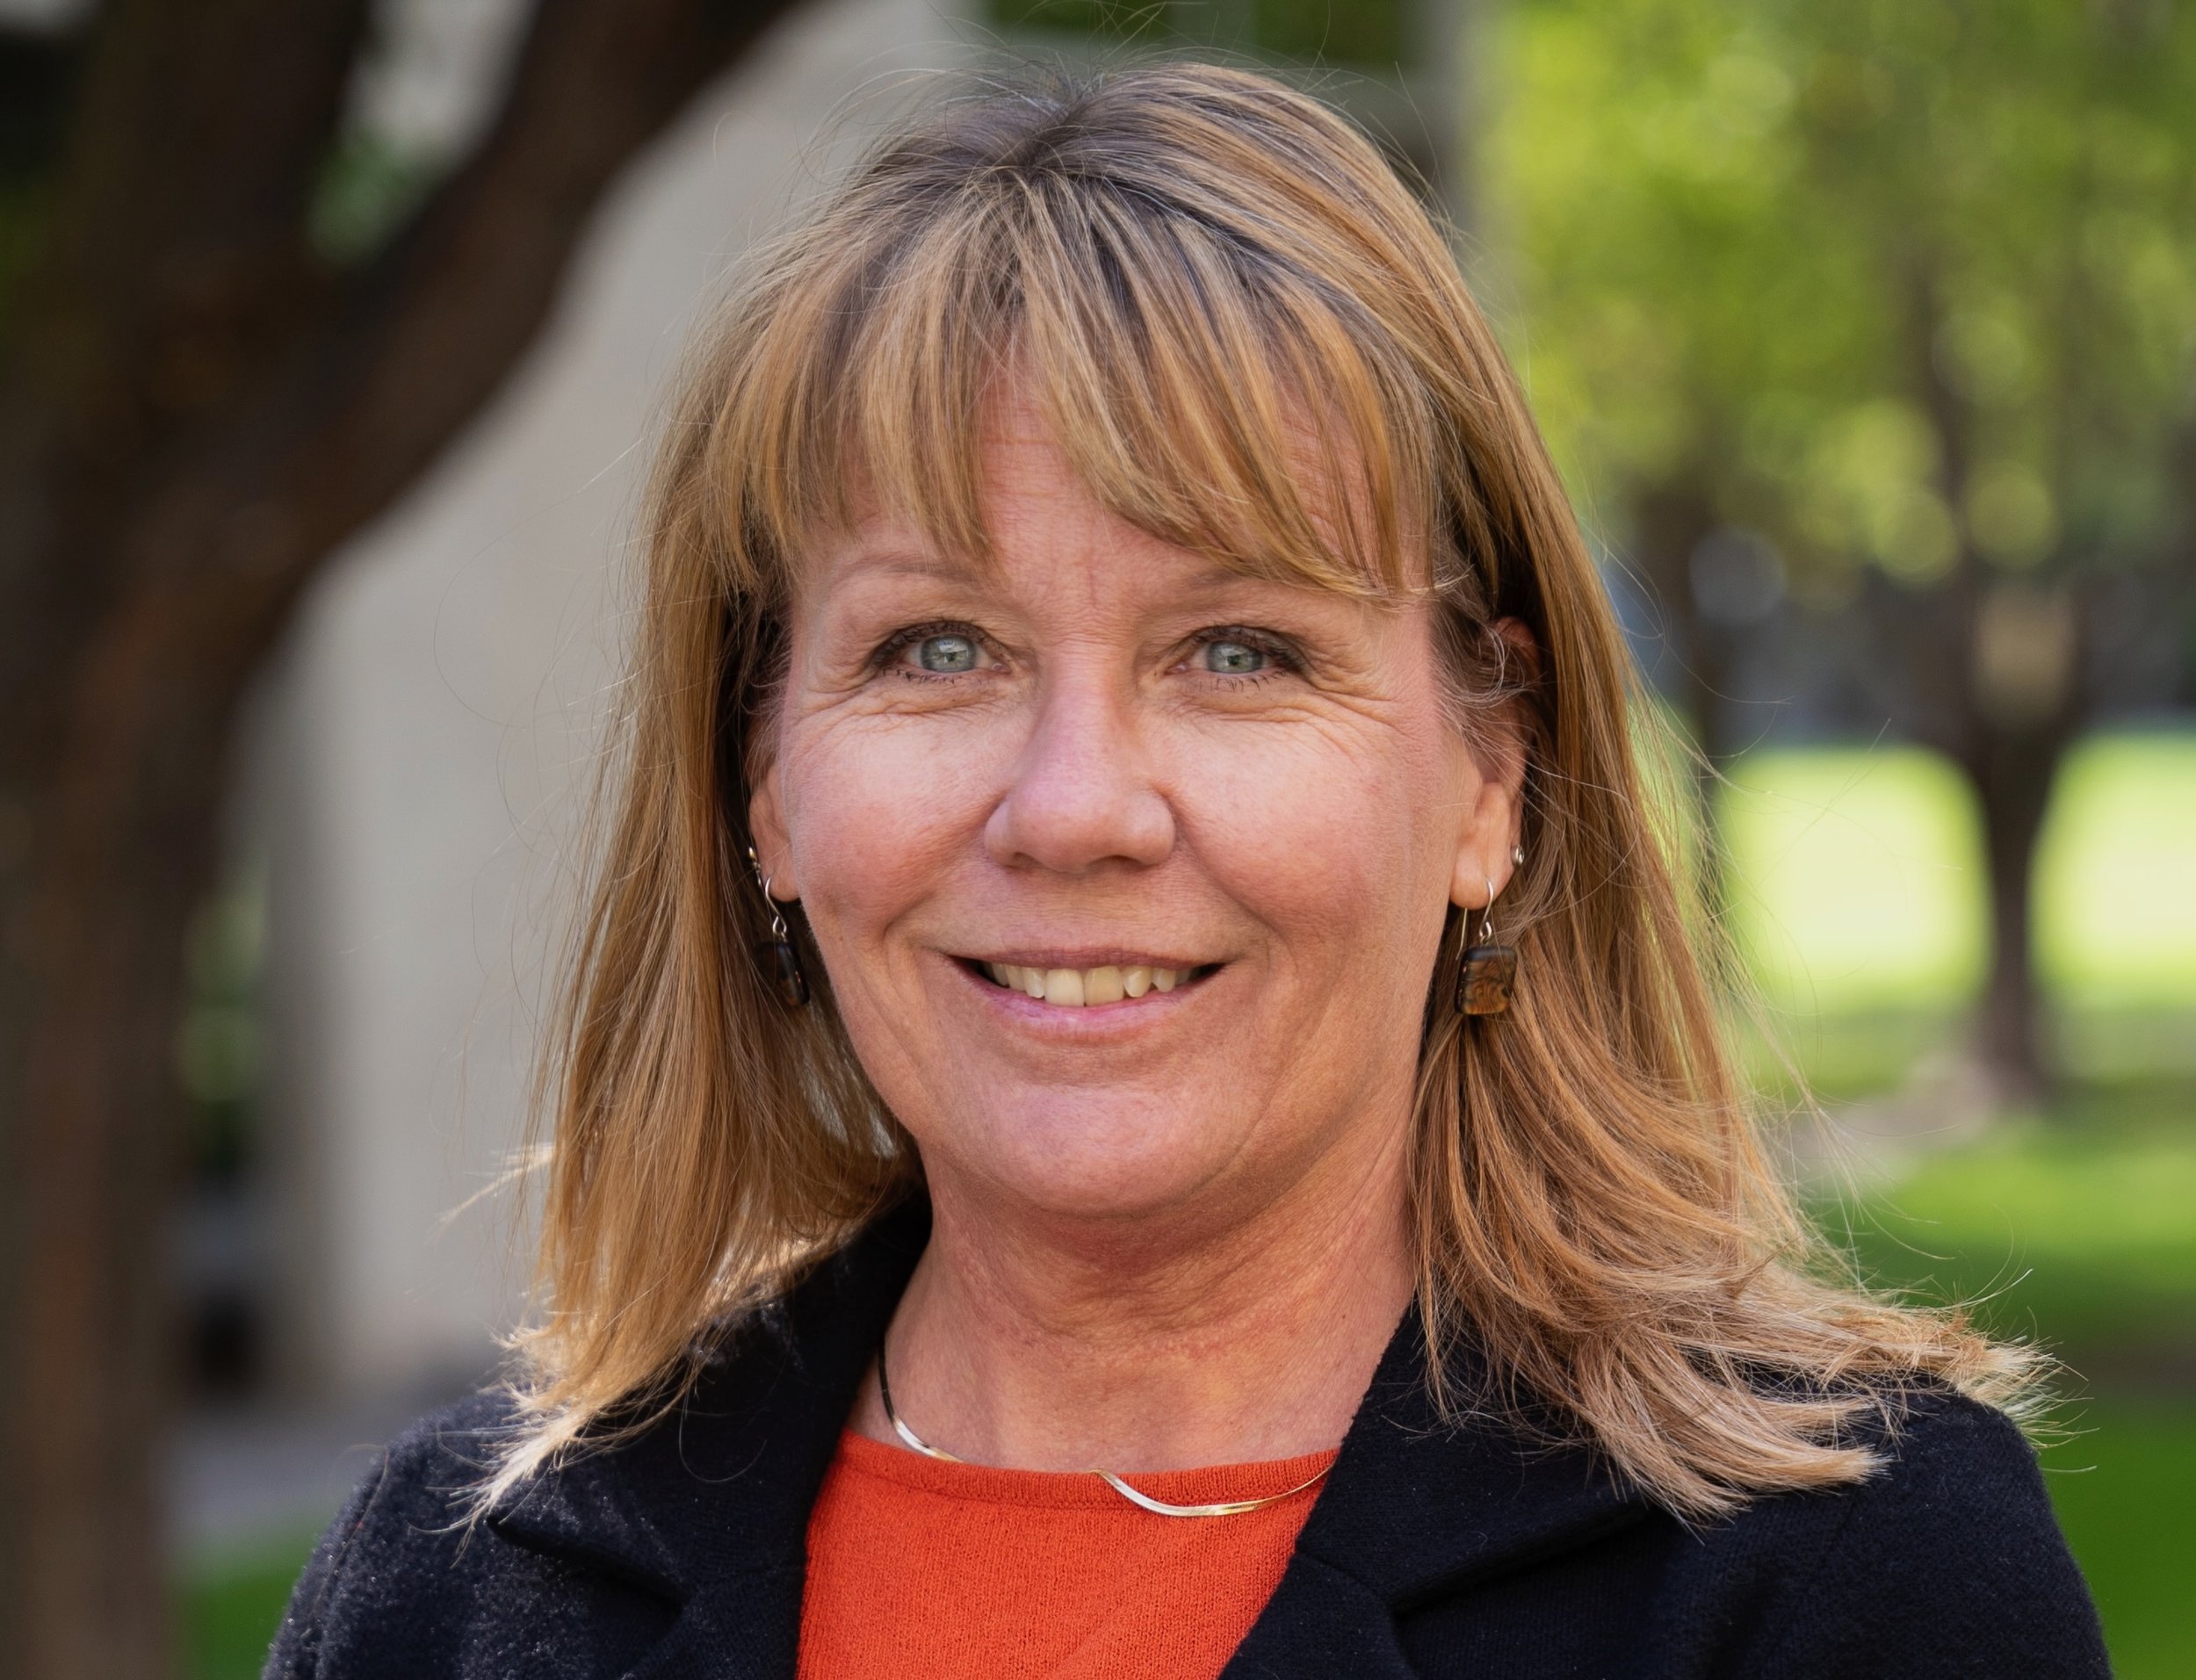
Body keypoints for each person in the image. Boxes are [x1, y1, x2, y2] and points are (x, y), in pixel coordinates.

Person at [265, 61, 2107, 1679]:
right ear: (760, 779)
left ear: (1490, 773)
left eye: (1237, 651)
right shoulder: (446, 1597)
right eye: (935, 650)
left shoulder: (1841, 1584)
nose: (1074, 808)